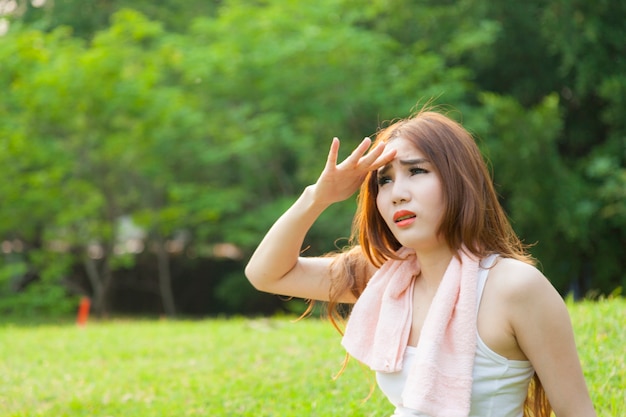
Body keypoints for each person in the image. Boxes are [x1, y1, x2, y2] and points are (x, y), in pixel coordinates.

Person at [244, 109, 596, 417]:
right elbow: (265, 274)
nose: (397, 192)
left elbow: (576, 411)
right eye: (385, 179)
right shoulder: (386, 278)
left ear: (458, 179)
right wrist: (317, 197)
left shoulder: (514, 287)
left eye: (416, 171)